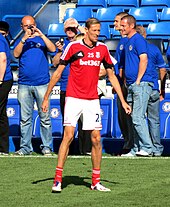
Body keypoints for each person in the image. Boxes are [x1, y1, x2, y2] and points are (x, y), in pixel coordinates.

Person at [42, 17, 131, 192]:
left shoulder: (102, 49)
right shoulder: (73, 47)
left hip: (92, 99)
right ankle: (58, 179)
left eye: (99, 30)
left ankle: (95, 181)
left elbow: (112, 76)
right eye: (95, 30)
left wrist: (122, 100)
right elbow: (58, 73)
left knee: (96, 139)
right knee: (68, 136)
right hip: (74, 98)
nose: (98, 33)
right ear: (87, 31)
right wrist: (46, 97)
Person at [13, 15, 56, 155]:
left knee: (45, 117)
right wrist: (25, 38)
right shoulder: (22, 41)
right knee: (25, 118)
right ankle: (25, 147)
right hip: (24, 84)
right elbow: (15, 54)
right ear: (22, 27)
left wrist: (41, 35)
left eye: (31, 25)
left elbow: (52, 48)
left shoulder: (41, 39)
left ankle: (46, 146)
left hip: (42, 84)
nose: (30, 28)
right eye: (27, 26)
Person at [52, 19, 91, 155]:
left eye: (73, 28)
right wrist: (59, 51)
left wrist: (79, 29)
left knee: (85, 121)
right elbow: (55, 63)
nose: (70, 31)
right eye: (68, 29)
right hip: (66, 88)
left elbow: (90, 38)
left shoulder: (83, 42)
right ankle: (68, 149)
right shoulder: (63, 45)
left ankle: (84, 149)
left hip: (82, 87)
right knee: (68, 121)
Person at [120, 15, 154, 157]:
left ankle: (147, 147)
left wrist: (138, 80)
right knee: (132, 117)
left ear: (131, 26)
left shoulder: (138, 40)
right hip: (131, 84)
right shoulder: (127, 42)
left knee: (138, 117)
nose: (121, 28)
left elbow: (144, 60)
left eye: (123, 25)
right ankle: (135, 148)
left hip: (140, 84)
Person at [136, 25, 167, 156]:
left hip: (140, 86)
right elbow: (163, 69)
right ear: (145, 35)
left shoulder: (134, 48)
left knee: (138, 117)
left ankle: (142, 146)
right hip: (154, 88)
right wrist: (162, 89)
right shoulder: (154, 49)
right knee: (154, 119)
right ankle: (157, 149)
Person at [114, 12, 134, 154]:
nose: (115, 25)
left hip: (124, 83)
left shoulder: (128, 40)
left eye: (117, 21)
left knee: (128, 115)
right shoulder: (121, 41)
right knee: (122, 116)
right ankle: (127, 141)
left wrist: (121, 82)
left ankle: (130, 143)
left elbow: (125, 65)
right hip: (119, 83)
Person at [0, 21, 13, 155]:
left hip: (3, 80)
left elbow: (2, 59)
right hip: (6, 79)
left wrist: (0, 79)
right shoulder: (2, 39)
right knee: (2, 113)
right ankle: (3, 148)